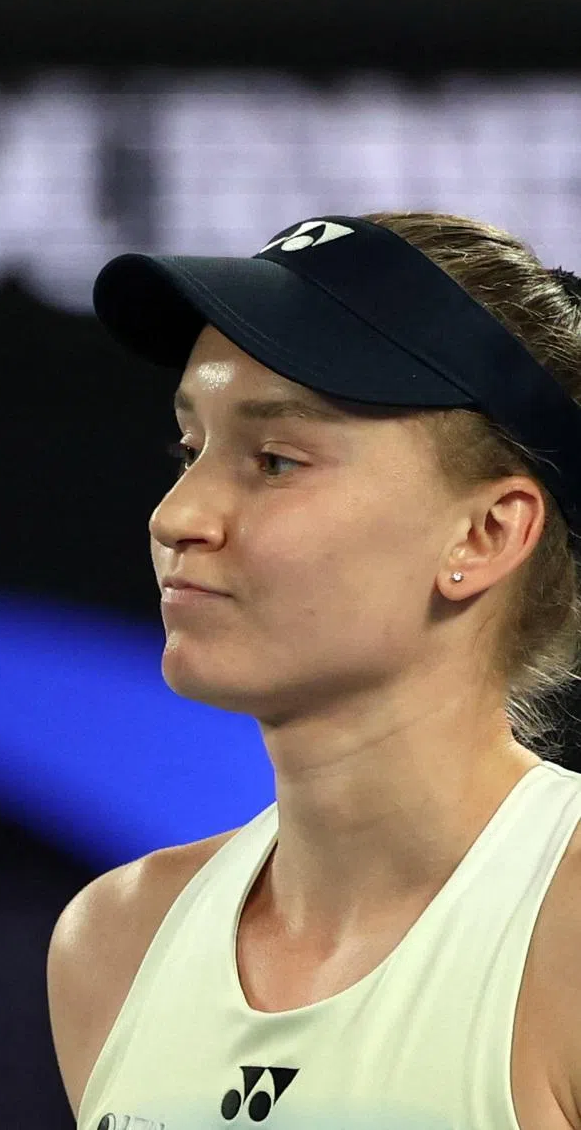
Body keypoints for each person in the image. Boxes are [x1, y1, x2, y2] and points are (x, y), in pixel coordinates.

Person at [46, 213, 581, 1130]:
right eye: (189, 451)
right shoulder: (115, 944)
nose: (177, 517)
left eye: (275, 461)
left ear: (486, 533)